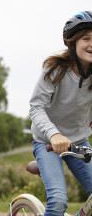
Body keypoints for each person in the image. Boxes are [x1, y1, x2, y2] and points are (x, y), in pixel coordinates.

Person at [29, 11, 92, 216]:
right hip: (47, 142)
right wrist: (54, 134)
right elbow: (36, 107)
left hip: (80, 141)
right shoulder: (55, 68)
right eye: (86, 38)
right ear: (71, 42)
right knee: (57, 201)